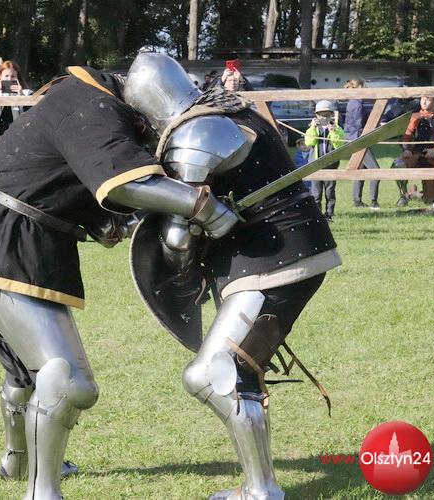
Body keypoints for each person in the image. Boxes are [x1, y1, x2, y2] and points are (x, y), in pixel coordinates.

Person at [0, 63, 238, 499]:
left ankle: (18, 461)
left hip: (5, 233)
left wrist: (105, 219)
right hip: (3, 239)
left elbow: (69, 178)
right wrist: (204, 208)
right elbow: (123, 183)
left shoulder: (85, 97)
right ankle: (41, 492)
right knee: (67, 380)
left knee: (25, 367)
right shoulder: (92, 105)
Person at [123, 53, 341, 500]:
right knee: (231, 372)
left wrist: (177, 260)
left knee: (211, 374)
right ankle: (258, 486)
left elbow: (179, 235)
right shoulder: (233, 109)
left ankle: (261, 491)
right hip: (286, 252)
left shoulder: (192, 134)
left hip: (274, 261)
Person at [395, 95, 434, 206]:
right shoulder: (414, 117)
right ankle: (403, 195)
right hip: (414, 154)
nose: (424, 101)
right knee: (398, 164)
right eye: (422, 99)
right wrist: (407, 149)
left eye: (427, 99)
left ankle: (414, 194)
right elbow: (405, 137)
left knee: (430, 200)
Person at [305, 100, 345, 221]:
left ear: (332, 115)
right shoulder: (312, 129)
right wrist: (313, 127)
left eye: (327, 115)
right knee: (316, 193)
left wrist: (333, 131)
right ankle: (317, 216)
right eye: (321, 115)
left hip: (331, 164)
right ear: (316, 116)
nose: (324, 118)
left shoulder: (337, 128)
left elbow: (338, 144)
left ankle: (329, 214)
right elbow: (309, 143)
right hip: (315, 165)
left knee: (330, 191)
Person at [343, 79, 380, 209]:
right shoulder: (357, 105)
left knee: (360, 169)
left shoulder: (353, 102)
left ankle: (357, 201)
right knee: (375, 171)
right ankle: (374, 202)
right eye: (365, 86)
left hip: (352, 139)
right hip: (359, 140)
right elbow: (359, 126)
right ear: (359, 87)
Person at [0, 60, 33, 136]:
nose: (9, 79)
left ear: (17, 77)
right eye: (6, 76)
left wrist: (21, 95)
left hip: (19, 134)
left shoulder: (27, 93)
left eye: (13, 76)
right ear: (0, 76)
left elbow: (32, 111)